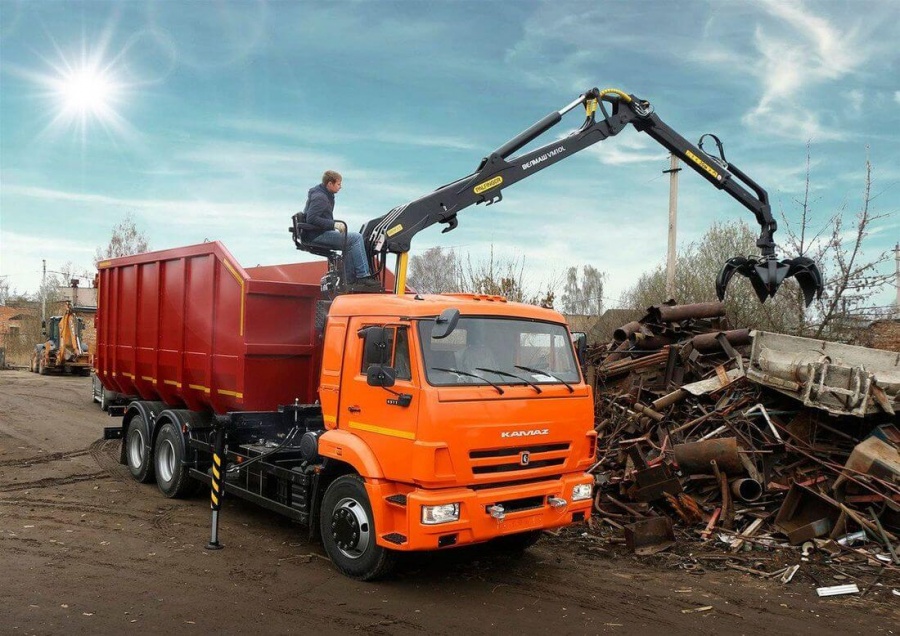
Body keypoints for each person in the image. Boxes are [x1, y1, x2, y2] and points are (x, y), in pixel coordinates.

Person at [302, 170, 380, 288]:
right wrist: (334, 225)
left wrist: (332, 225)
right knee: (356, 238)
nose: (340, 187)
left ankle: (349, 280)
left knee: (350, 243)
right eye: (338, 184)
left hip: (317, 233)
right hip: (318, 235)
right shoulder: (321, 198)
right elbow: (311, 219)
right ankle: (363, 276)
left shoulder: (323, 194)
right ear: (330, 184)